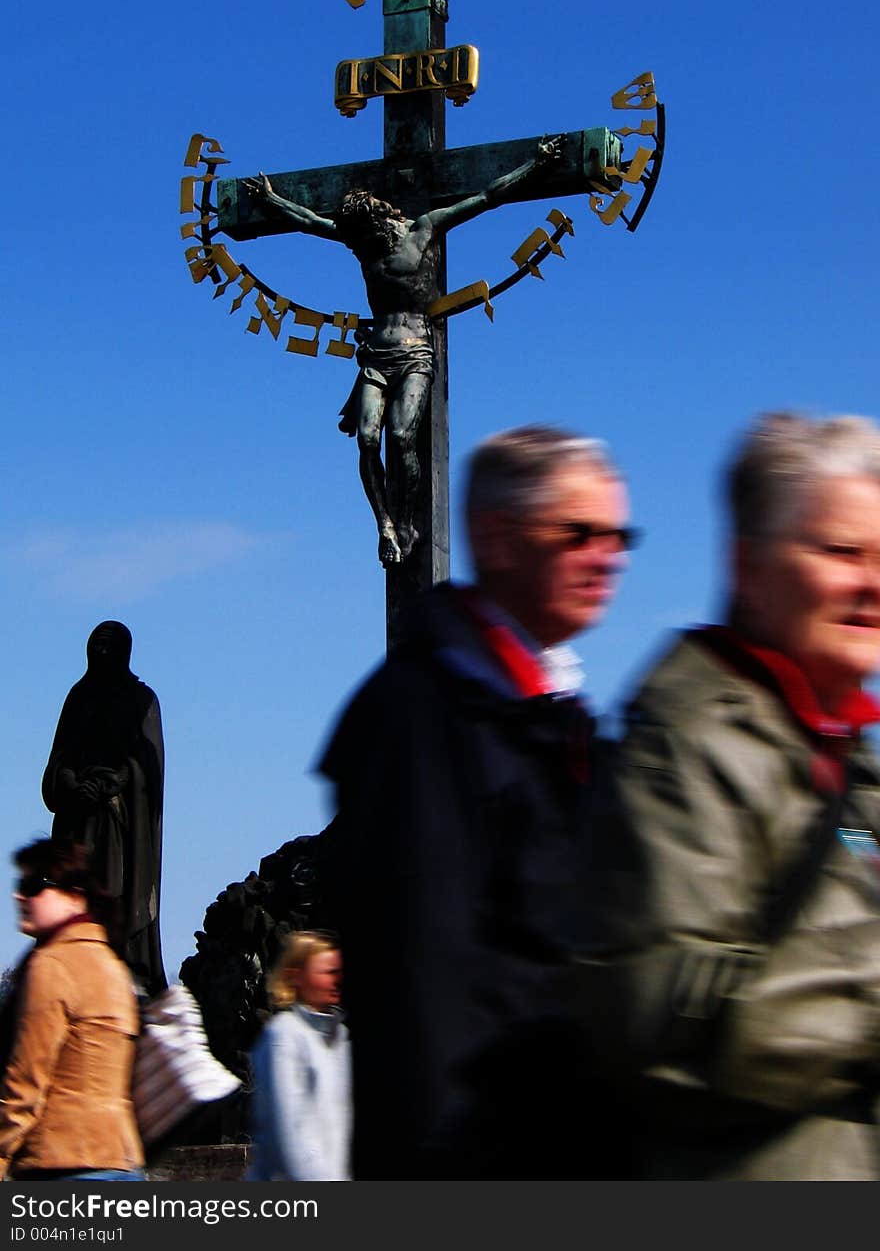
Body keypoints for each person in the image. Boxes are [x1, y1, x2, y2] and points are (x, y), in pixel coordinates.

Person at [318, 424, 638, 1177]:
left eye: (621, 536)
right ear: (496, 537)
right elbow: (423, 992)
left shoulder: (558, 711)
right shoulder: (420, 717)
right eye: (580, 533)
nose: (608, 558)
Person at [583, 411, 880, 1180]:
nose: (872, 583)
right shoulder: (685, 745)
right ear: (748, 567)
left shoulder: (847, 753)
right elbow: (666, 1015)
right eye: (840, 552)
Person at [245, 139, 561, 567]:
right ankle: (385, 526)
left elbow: (487, 197)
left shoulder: (424, 228)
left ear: (385, 222)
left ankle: (408, 521)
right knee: (368, 438)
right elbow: (307, 220)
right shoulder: (360, 241)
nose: (362, 246)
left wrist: (536, 164)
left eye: (369, 237)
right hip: (377, 353)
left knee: (400, 436)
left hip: (415, 351)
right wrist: (270, 199)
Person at [0, 837, 144, 1181]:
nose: (20, 897)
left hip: (61, 1160)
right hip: (120, 1159)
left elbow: (26, 1080)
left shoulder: (52, 965)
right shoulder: (110, 964)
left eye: (34, 886)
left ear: (74, 894)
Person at [42, 621, 166, 995]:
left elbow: (149, 766)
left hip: (118, 822)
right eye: (97, 646)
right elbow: (60, 755)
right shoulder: (79, 697)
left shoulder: (140, 699)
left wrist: (114, 781)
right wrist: (71, 782)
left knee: (113, 890)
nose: (102, 654)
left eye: (111, 647)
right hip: (78, 818)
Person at [246, 931, 351, 1181]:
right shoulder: (285, 1035)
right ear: (296, 977)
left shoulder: (341, 1036)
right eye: (327, 972)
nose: (336, 980)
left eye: (338, 971)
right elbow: (289, 1133)